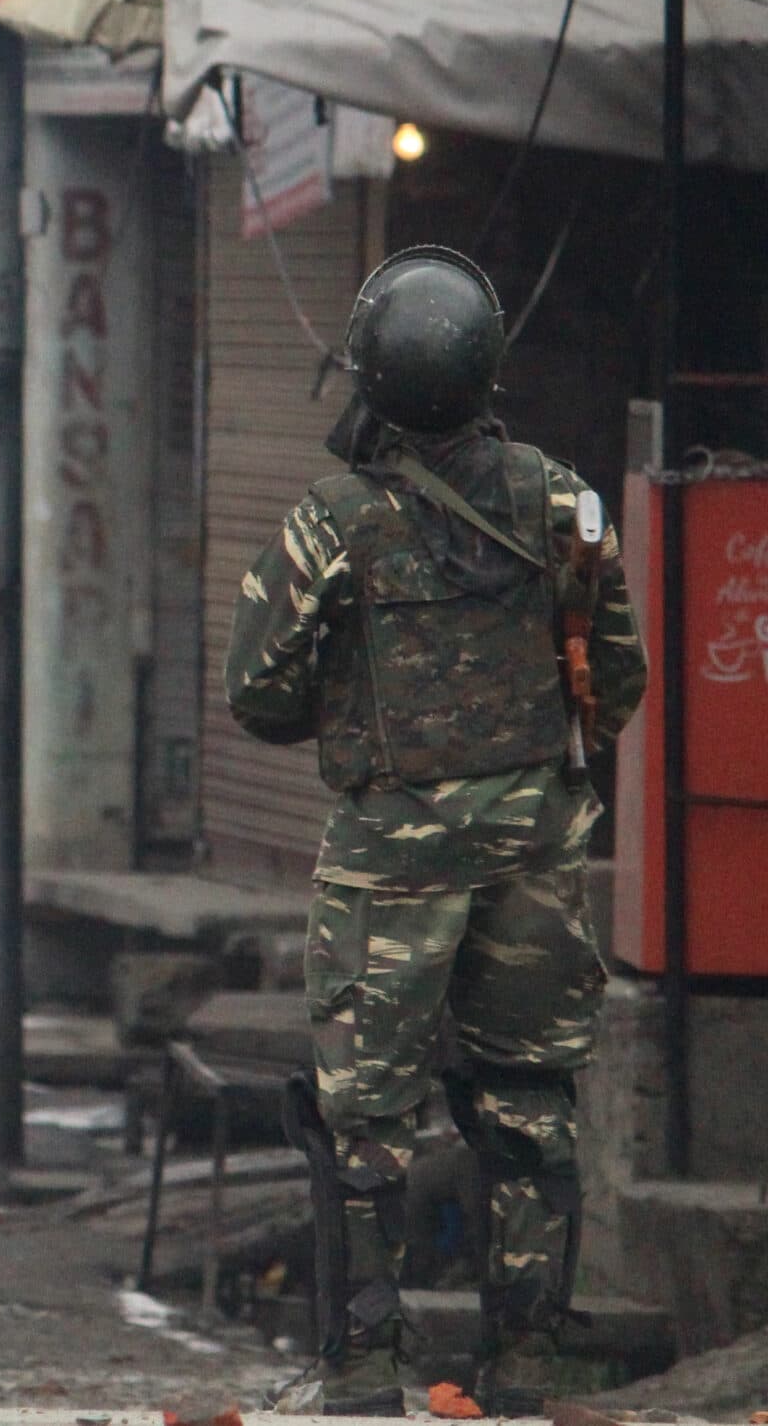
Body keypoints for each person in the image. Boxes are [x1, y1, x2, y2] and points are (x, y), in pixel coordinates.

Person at [226, 247, 646, 1418]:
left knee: (368, 1115)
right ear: (486, 364)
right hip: (533, 852)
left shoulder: (332, 521)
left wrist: (353, 704)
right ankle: (529, 1366)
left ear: (369, 369)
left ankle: (365, 1371)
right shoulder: (563, 501)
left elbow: (256, 692)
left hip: (388, 860)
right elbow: (617, 679)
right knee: (528, 1106)